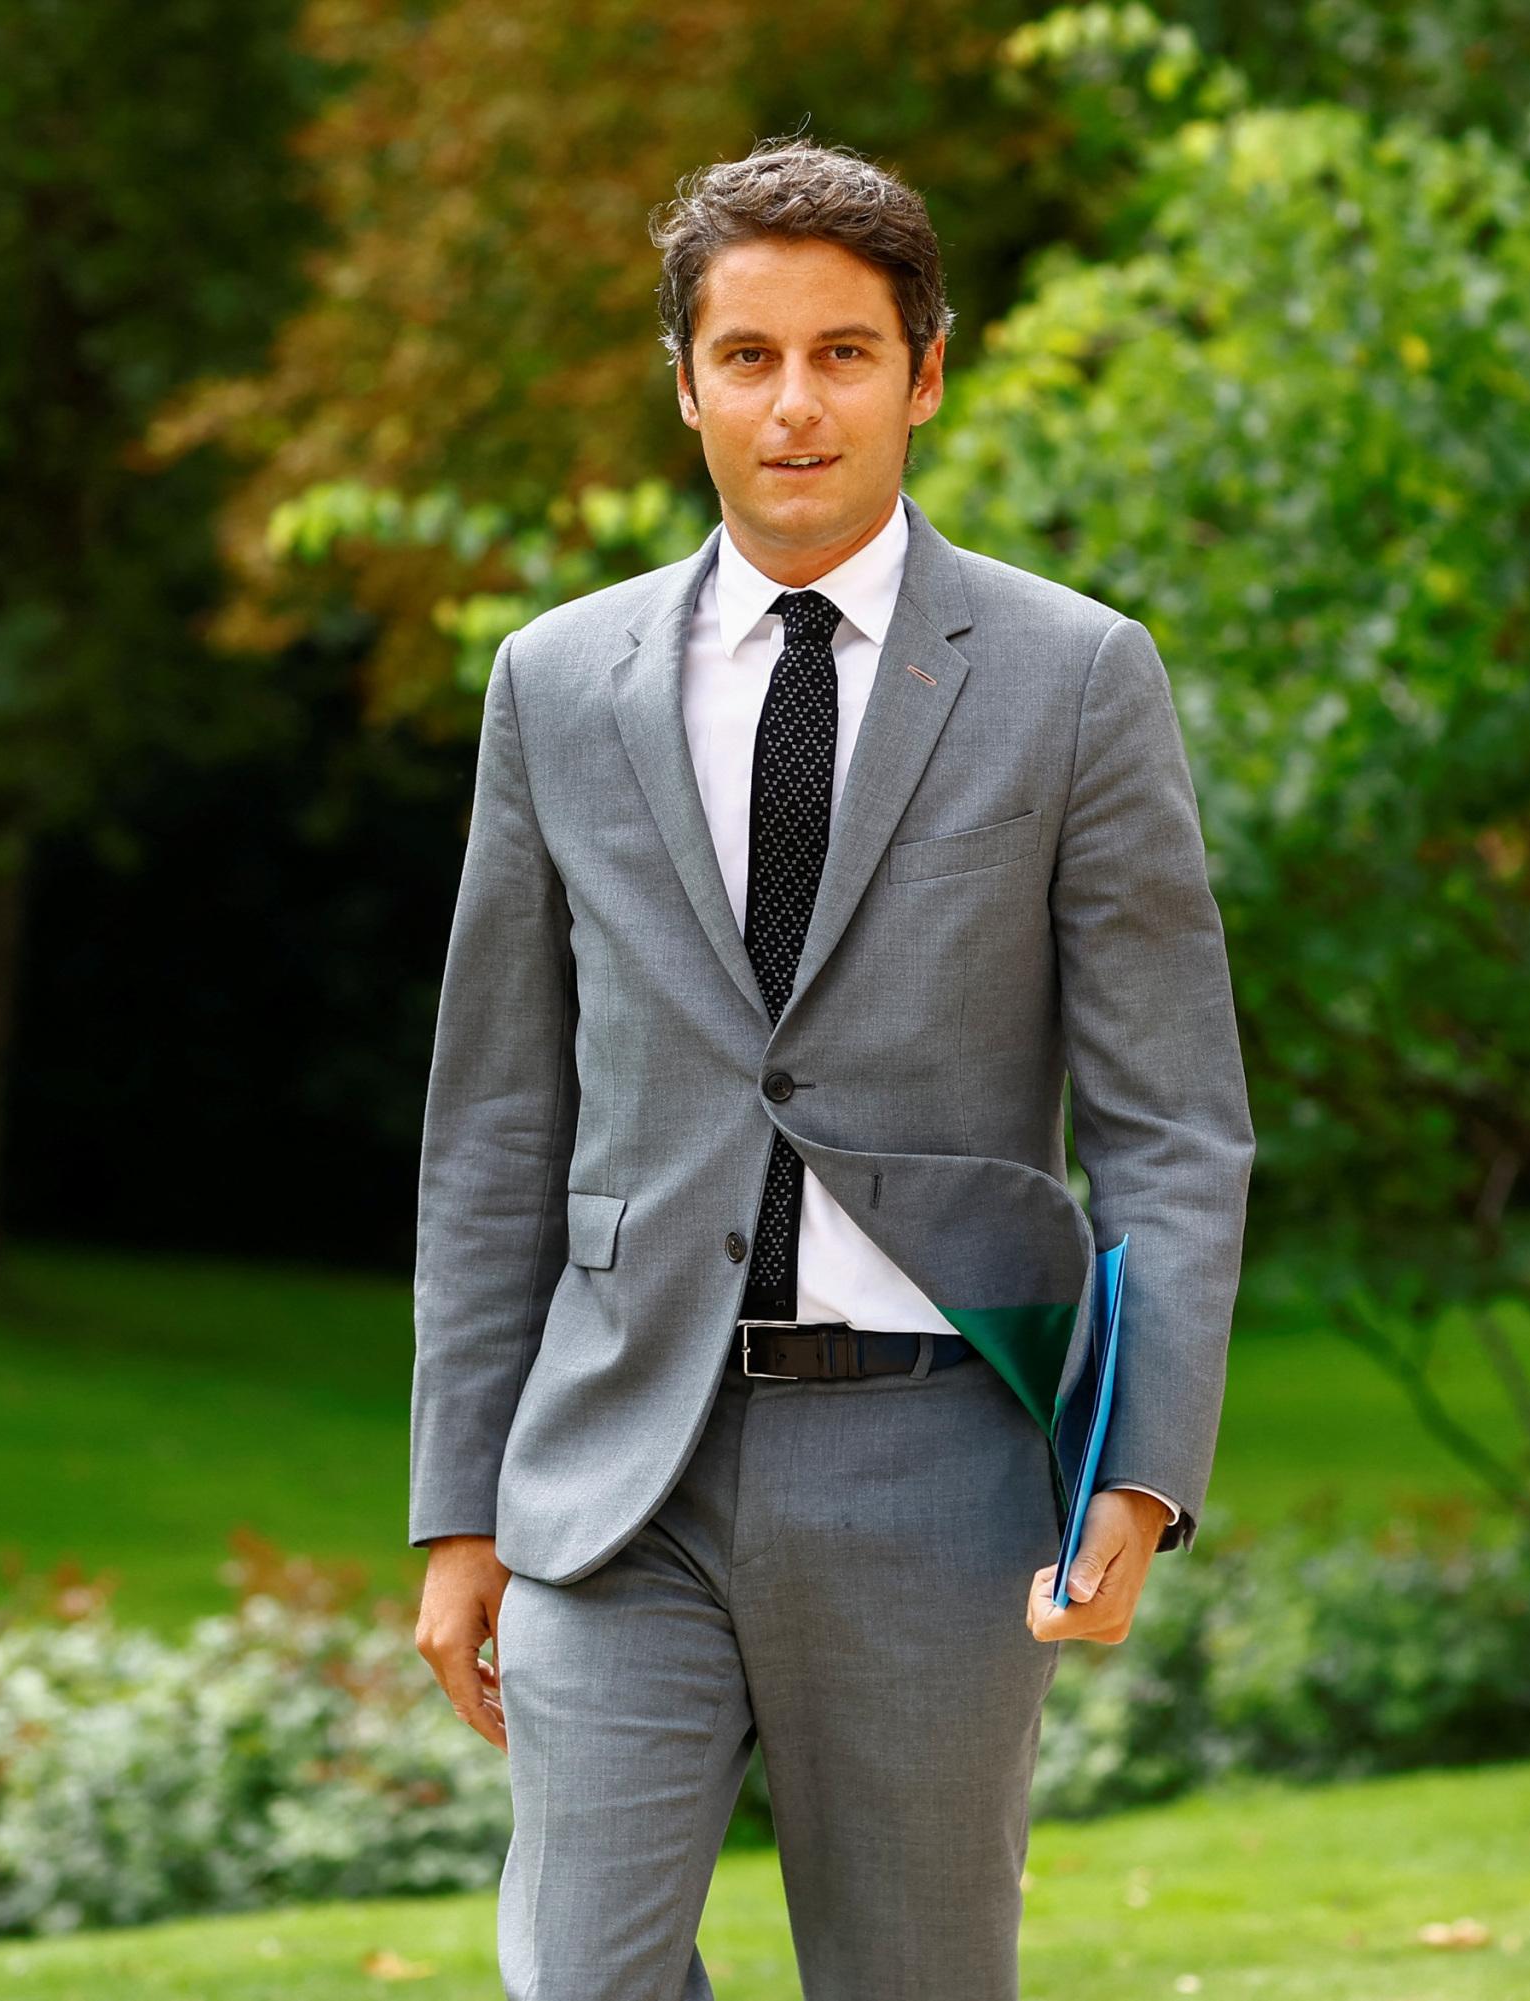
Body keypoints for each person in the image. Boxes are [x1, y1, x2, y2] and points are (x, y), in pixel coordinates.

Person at [406, 133, 1254, 2000]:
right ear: (688, 381)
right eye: (751, 355)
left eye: (846, 353)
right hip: (619, 1462)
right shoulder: (557, 682)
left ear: (926, 371)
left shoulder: (1074, 675)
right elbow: (493, 1124)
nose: (797, 405)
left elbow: (1174, 1127)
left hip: (934, 1464)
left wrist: (1137, 1472)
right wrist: (458, 1504)